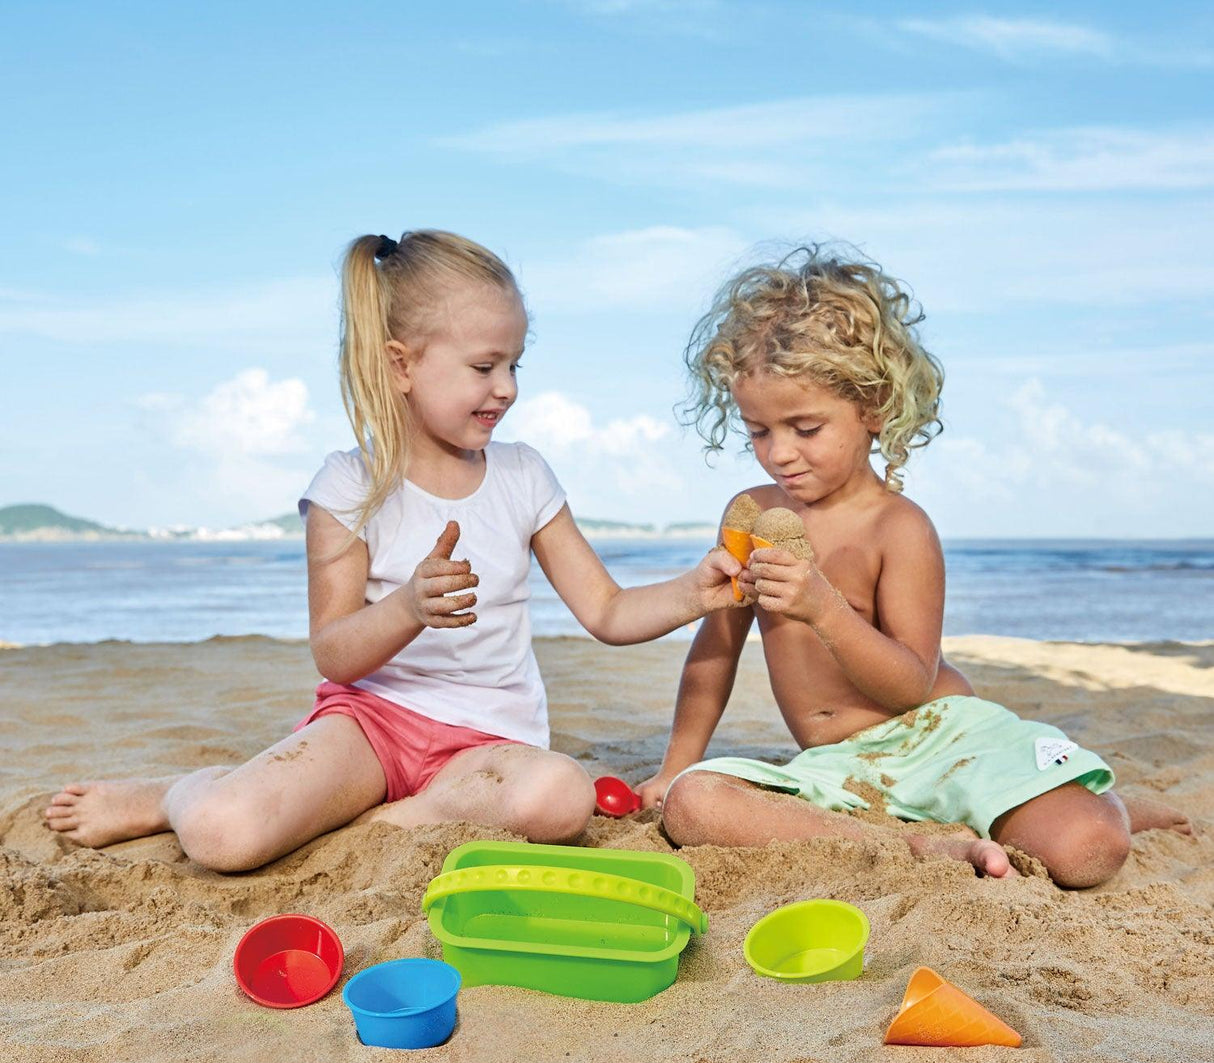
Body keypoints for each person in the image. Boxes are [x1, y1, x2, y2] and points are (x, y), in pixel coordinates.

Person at [45, 229, 741, 872]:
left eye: (514, 364)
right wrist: (408, 607)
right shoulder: (348, 486)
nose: (507, 387)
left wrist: (693, 592)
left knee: (560, 796)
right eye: (484, 365)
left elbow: (608, 611)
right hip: (370, 728)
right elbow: (334, 652)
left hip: (489, 746)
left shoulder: (525, 475)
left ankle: (390, 820)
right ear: (401, 364)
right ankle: (176, 793)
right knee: (222, 834)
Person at [637, 245, 1190, 888]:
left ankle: (1105, 803)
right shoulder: (753, 514)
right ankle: (913, 845)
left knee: (1086, 849)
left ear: (873, 408)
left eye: (805, 428)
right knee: (693, 804)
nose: (778, 453)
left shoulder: (898, 527)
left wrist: (823, 609)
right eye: (759, 430)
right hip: (842, 768)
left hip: (940, 738)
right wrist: (675, 766)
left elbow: (908, 686)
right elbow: (717, 647)